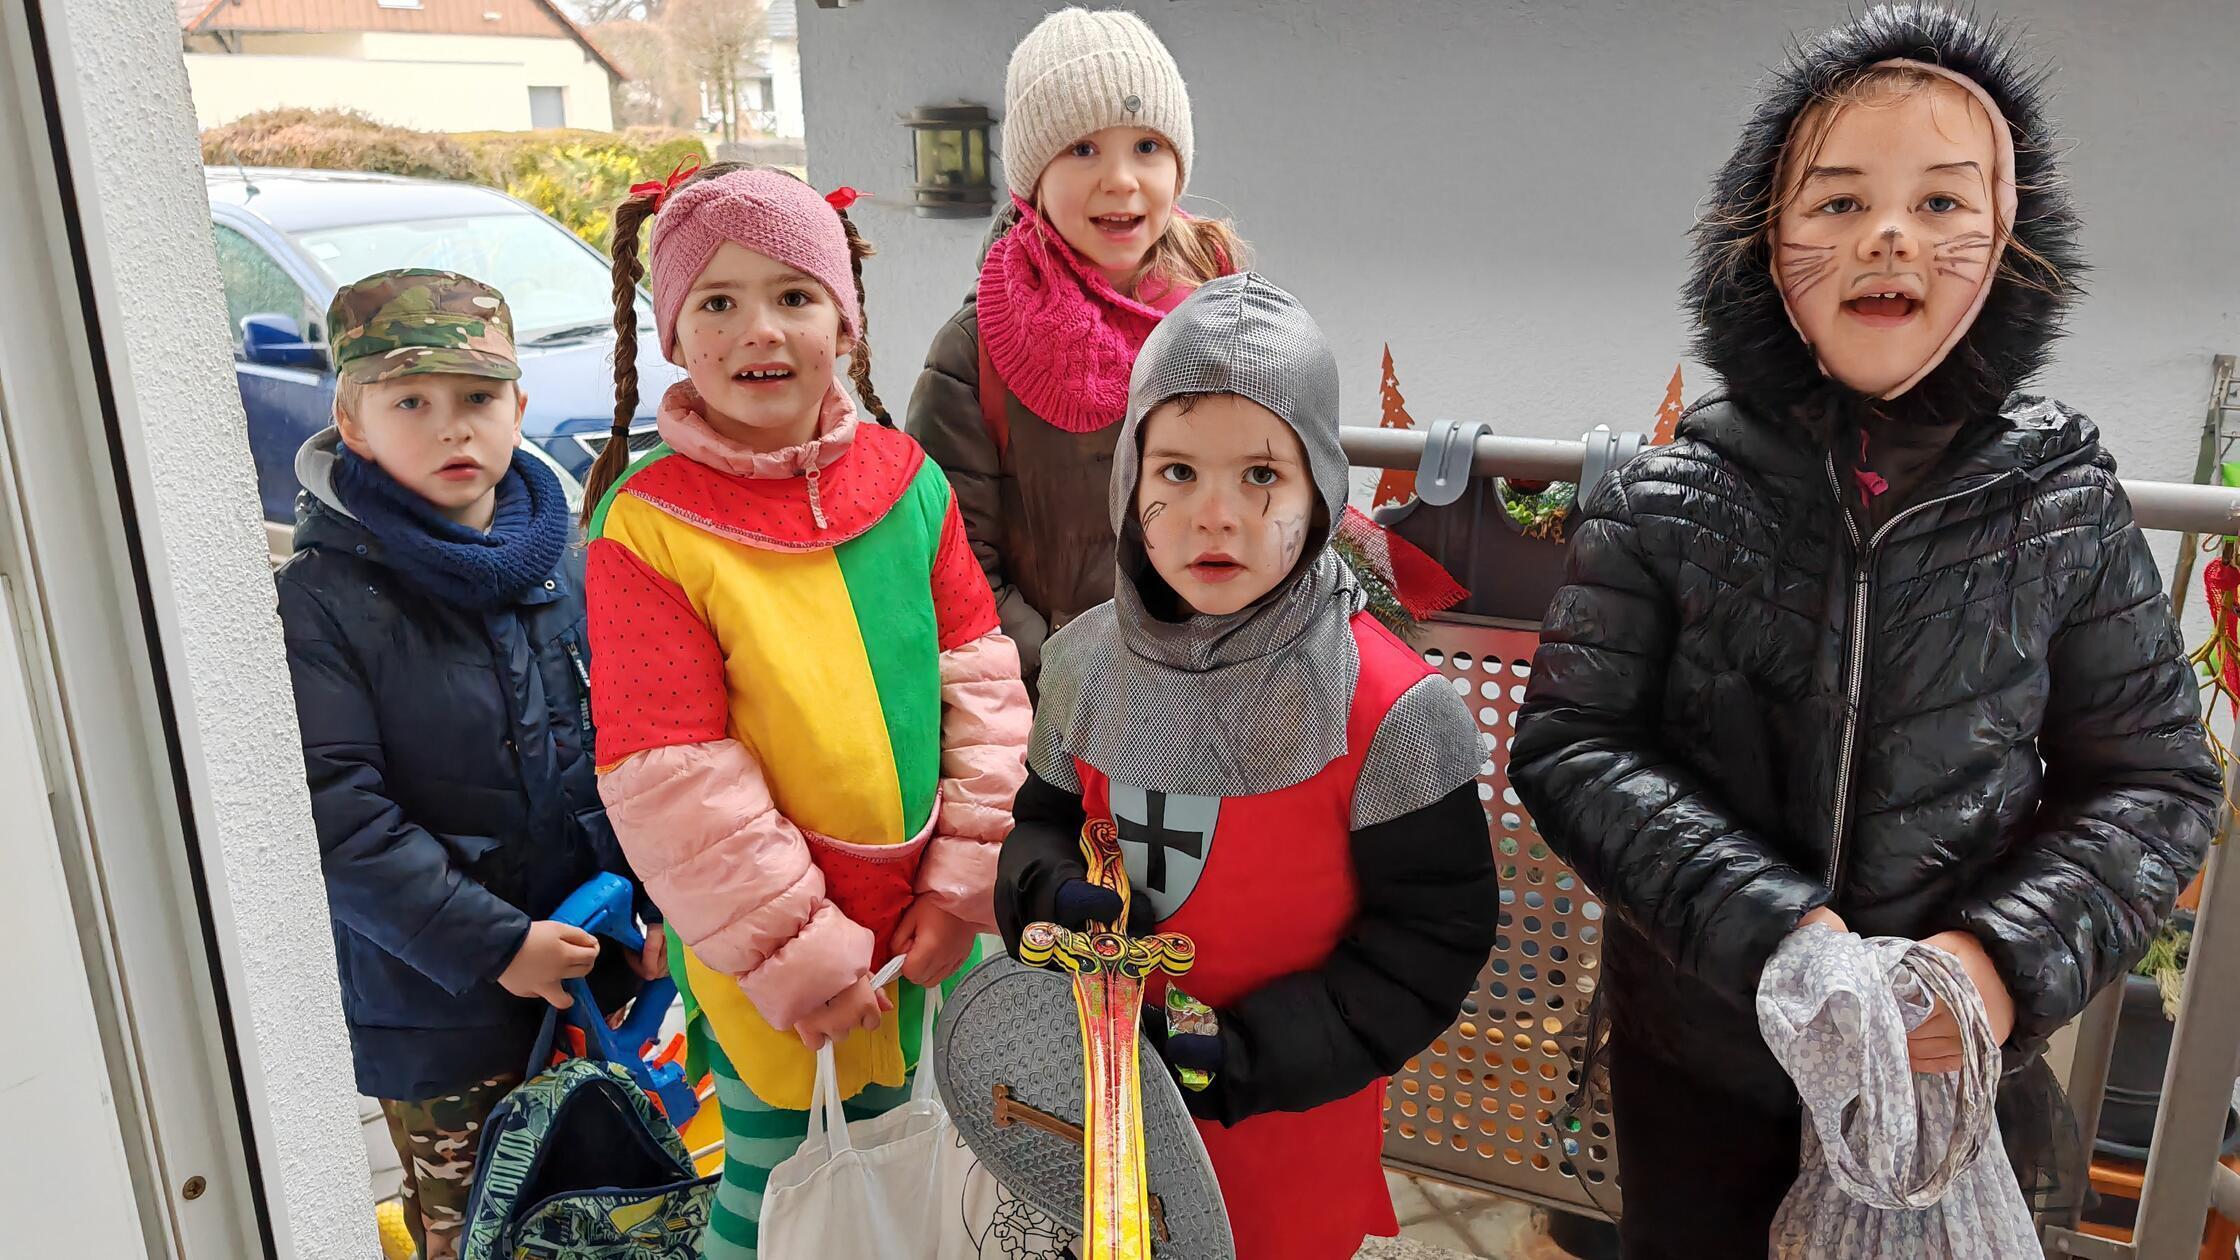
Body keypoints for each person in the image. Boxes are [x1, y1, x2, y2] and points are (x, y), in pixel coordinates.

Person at [1508, 9, 2222, 1256]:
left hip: (1951, 1070)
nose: (1887, 235)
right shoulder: (1663, 496)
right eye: (1836, 203)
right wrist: (1776, 935)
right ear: (1761, 241)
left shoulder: (2062, 506)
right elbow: (1573, 744)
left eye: (1940, 202)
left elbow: (2155, 780)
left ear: (2007, 240)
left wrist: (1994, 965)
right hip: (1705, 1062)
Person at [995, 272, 1501, 1260]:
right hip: (1099, 1123)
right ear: (1130, 482)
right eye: (1177, 472)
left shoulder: (1390, 709)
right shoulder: (1083, 663)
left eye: (1260, 475)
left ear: (1320, 491)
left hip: (1282, 1140)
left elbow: (1427, 943)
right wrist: (1046, 890)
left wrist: (1247, 1055)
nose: (1214, 515)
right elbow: (1042, 822)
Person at [577, 164, 1030, 1259]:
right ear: (673, 334)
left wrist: (962, 885)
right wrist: (801, 955)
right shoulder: (648, 527)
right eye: (717, 301)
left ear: (845, 318)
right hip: (767, 951)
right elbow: (673, 775)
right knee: (782, 1188)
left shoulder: (909, 483)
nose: (760, 330)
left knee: (930, 1167)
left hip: (926, 929)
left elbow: (981, 688)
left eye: (793, 295)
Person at [275, 269, 660, 1260]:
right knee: (484, 1234)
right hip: (444, 1019)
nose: (453, 428)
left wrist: (657, 908)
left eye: (478, 398)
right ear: (352, 423)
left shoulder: (569, 560)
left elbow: (636, 745)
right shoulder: (321, 598)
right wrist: (498, 945)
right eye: (410, 402)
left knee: (616, 1217)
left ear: (518, 408)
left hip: (599, 978)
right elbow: (335, 811)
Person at [909, 6, 1243, 685]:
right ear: (1032, 177)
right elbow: (955, 559)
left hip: (1218, 683)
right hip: (1056, 702)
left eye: (1147, 146)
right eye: (1082, 149)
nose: (1121, 179)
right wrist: (1071, 669)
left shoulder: (1228, 315)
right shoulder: (975, 352)